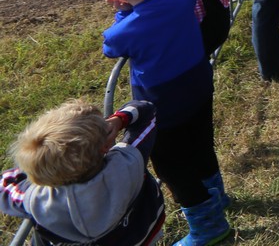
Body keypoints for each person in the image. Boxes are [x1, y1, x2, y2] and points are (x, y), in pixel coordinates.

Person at [100, 0, 230, 245]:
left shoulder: (121, 32)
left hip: (162, 103)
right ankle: (217, 198)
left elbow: (111, 48)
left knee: (172, 167)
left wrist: (122, 10)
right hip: (198, 86)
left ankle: (209, 227)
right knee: (201, 144)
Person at [1, 98, 164, 246]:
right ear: (104, 146)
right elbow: (146, 111)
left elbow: (4, 185)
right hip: (144, 235)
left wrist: (39, 166)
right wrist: (119, 119)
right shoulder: (127, 162)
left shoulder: (39, 200)